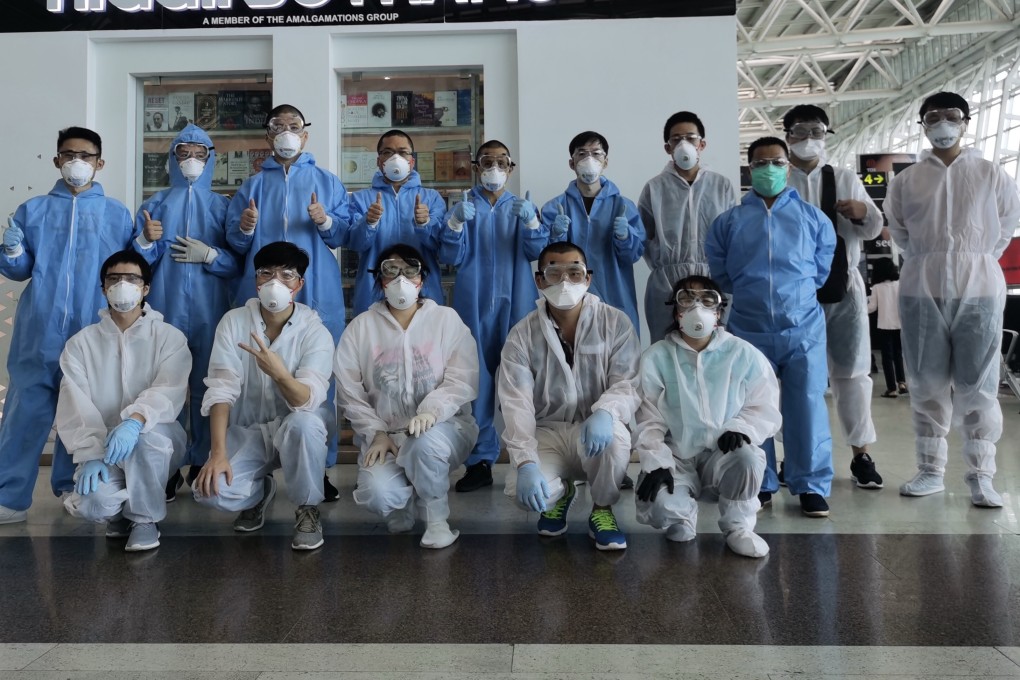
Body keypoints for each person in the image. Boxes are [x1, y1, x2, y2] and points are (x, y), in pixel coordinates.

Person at [885, 91, 1020, 506]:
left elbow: (1007, 224)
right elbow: (900, 230)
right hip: (921, 284)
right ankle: (930, 471)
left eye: (951, 116)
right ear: (923, 125)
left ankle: (981, 476)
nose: (942, 124)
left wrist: (974, 260)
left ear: (966, 121)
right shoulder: (907, 179)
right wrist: (934, 259)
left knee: (978, 384)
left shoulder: (989, 173)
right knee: (926, 382)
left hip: (979, 284)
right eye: (933, 117)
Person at [0, 126, 134, 525]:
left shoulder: (116, 213)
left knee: (82, 407)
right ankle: (9, 495)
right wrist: (11, 250)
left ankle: (71, 484)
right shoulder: (33, 210)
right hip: (39, 327)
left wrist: (146, 245)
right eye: (69, 154)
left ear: (100, 162)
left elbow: (126, 270)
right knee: (27, 411)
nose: (78, 161)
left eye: (86, 155)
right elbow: (20, 270)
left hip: (92, 326)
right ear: (57, 159)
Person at [705, 136, 835, 518]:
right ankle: (759, 482)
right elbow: (722, 274)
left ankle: (810, 484)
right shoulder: (729, 221)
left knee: (806, 404)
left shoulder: (813, 218)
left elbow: (821, 272)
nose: (769, 169)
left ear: (788, 167)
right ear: (750, 169)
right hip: (748, 326)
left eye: (776, 162)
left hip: (803, 328)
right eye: (761, 163)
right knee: (751, 405)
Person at [225, 104, 350, 495]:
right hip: (264, 288)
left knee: (316, 375)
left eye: (294, 126)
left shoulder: (327, 182)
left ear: (305, 134)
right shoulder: (251, 187)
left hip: (318, 288)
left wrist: (324, 220)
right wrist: (244, 229)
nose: (286, 132)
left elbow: (344, 235)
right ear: (267, 136)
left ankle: (321, 467)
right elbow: (233, 241)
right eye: (278, 126)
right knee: (256, 374)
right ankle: (256, 464)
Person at [335, 244, 479, 549]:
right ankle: (402, 504)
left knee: (423, 444)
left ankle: (437, 518)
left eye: (410, 269)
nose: (401, 278)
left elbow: (461, 378)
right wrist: (376, 433)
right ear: (380, 279)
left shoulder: (445, 320)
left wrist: (431, 412)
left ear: (422, 279)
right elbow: (349, 391)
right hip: (386, 434)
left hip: (443, 429)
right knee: (378, 493)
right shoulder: (361, 328)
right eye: (391, 269)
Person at [498, 241, 640, 551]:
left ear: (588, 279)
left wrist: (606, 411)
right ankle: (560, 495)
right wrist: (524, 463)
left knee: (615, 437)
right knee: (523, 493)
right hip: (547, 432)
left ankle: (602, 509)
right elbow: (515, 403)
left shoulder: (616, 323)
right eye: (554, 273)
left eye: (574, 272)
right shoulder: (522, 335)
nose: (565, 282)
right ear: (539, 280)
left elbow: (627, 382)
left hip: (596, 430)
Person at [193, 242, 334, 550]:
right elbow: (221, 388)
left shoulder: (315, 332)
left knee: (305, 424)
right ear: (255, 280)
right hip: (249, 431)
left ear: (300, 284)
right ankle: (259, 492)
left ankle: (307, 507)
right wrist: (218, 454)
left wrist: (280, 373)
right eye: (266, 274)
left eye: (286, 275)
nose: (275, 283)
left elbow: (307, 400)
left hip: (296, 428)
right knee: (209, 491)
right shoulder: (233, 322)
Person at [633, 276, 780, 558]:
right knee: (661, 505)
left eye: (707, 299)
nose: (696, 307)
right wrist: (657, 461)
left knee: (748, 458)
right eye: (687, 299)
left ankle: (738, 526)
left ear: (719, 311)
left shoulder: (742, 354)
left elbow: (765, 404)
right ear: (676, 312)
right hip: (677, 458)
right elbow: (647, 418)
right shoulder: (657, 357)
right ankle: (681, 518)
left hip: (721, 455)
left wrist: (741, 427)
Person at [437, 139, 551, 493]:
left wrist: (532, 223)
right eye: (487, 161)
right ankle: (480, 461)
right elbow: (449, 257)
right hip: (472, 304)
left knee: (523, 383)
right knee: (477, 384)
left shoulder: (520, 207)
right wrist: (455, 225)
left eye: (502, 162)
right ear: (475, 166)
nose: (494, 168)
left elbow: (538, 253)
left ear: (511, 168)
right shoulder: (463, 208)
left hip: (517, 302)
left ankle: (532, 459)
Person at [132, 124, 239, 501]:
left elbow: (238, 265)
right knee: (166, 387)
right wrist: (147, 240)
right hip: (165, 310)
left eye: (199, 153)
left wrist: (211, 255)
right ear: (172, 157)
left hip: (212, 311)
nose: (191, 160)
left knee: (208, 389)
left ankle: (204, 459)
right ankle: (166, 465)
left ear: (210, 159)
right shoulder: (154, 205)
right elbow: (137, 266)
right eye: (184, 152)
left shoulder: (223, 206)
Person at [58, 251, 190, 552]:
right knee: (92, 505)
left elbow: (168, 388)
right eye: (114, 279)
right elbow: (74, 403)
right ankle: (119, 511)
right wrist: (91, 452)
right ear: (103, 288)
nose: (122, 285)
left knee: (144, 439)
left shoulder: (168, 337)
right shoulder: (82, 343)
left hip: (157, 436)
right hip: (105, 446)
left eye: (131, 279)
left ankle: (145, 518)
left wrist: (135, 420)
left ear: (145, 289)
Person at [783, 105, 885, 490]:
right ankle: (792, 455)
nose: (810, 139)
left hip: (844, 287)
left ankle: (861, 454)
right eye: (801, 131)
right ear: (787, 135)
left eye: (818, 131)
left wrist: (860, 212)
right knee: (791, 376)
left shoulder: (843, 177)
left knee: (853, 372)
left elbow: (873, 227)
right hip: (794, 292)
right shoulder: (779, 179)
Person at [639, 111, 738, 343]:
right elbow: (644, 237)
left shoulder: (721, 185)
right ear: (668, 148)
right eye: (676, 139)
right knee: (666, 348)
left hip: (714, 280)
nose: (684, 144)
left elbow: (732, 235)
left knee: (716, 348)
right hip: (667, 282)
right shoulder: (655, 188)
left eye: (690, 138)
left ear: (701, 144)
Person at [539, 131, 644, 335]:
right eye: (582, 154)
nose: (589, 159)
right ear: (572, 163)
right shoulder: (555, 207)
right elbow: (545, 259)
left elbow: (633, 256)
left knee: (619, 358)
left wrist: (625, 238)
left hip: (616, 296)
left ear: (605, 162)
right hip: (567, 299)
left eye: (596, 153)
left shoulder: (624, 207)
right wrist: (555, 235)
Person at [347, 130, 447, 315]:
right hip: (374, 288)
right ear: (379, 161)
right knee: (374, 340)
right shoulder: (360, 199)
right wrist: (368, 223)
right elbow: (355, 243)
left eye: (402, 152)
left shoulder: (431, 199)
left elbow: (441, 247)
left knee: (424, 341)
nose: (396, 157)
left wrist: (425, 224)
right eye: (388, 152)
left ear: (412, 161)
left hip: (423, 288)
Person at [867, 257, 907, 399]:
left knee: (887, 357)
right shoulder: (900, 284)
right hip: (899, 324)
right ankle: (902, 382)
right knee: (898, 354)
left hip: (884, 325)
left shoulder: (877, 287)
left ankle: (891, 389)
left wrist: (860, 309)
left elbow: (872, 308)